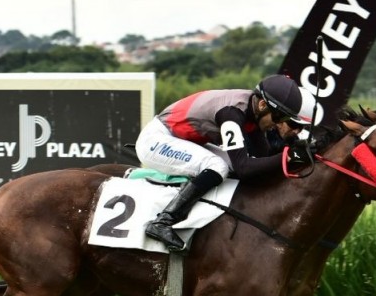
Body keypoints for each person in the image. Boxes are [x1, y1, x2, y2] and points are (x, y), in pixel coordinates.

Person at [135, 74, 321, 252]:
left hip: (182, 140)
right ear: (263, 104)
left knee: (229, 165)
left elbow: (262, 159)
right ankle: (163, 221)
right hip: (156, 140)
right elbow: (244, 168)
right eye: (279, 117)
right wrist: (288, 157)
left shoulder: (253, 111)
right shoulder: (232, 113)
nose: (278, 124)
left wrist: (297, 152)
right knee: (218, 166)